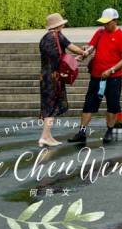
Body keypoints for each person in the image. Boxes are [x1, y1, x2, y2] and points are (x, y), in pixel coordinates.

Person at [68, 8, 122, 145]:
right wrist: (84, 53)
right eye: (104, 23)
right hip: (96, 76)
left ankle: (109, 131)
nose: (105, 25)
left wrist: (111, 70)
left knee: (113, 106)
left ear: (115, 21)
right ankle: (82, 132)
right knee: (88, 105)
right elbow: (91, 47)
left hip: (113, 78)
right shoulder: (100, 32)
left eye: (107, 23)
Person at [37, 12, 89, 147]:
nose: (63, 26)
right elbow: (72, 48)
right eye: (62, 24)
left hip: (45, 77)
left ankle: (47, 136)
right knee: (52, 107)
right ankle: (44, 136)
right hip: (55, 78)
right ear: (58, 25)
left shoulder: (44, 39)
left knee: (48, 106)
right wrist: (83, 52)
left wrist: (71, 59)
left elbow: (56, 58)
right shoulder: (58, 36)